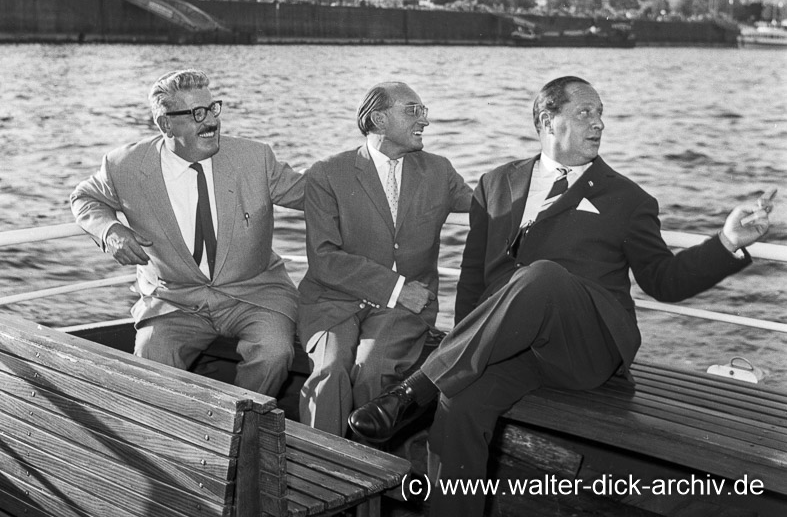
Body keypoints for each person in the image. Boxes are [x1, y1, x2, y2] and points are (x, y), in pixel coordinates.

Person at [349, 75, 774, 517]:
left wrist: (726, 242)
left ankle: (412, 391)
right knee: (460, 404)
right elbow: (474, 279)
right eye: (585, 113)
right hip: (513, 345)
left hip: (586, 346)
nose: (599, 124)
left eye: (601, 114)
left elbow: (664, 281)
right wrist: (465, 338)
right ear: (548, 120)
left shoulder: (629, 198)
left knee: (544, 276)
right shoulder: (495, 183)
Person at [71, 69, 305, 396]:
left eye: (213, 108)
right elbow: (85, 198)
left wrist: (375, 168)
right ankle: (173, 435)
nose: (211, 121)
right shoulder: (123, 165)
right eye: (197, 114)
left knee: (275, 352)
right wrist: (111, 231)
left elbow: (313, 193)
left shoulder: (255, 157)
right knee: (151, 357)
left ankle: (243, 423)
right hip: (175, 300)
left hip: (254, 294)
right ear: (165, 124)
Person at [297, 81, 473, 435]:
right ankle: (321, 469)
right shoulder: (327, 174)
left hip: (404, 309)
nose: (424, 120)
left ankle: (365, 476)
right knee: (329, 373)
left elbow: (489, 204)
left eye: (424, 111)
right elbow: (324, 259)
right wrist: (395, 287)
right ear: (378, 118)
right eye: (413, 110)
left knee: (373, 370)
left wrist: (547, 185)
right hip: (333, 301)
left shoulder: (439, 170)